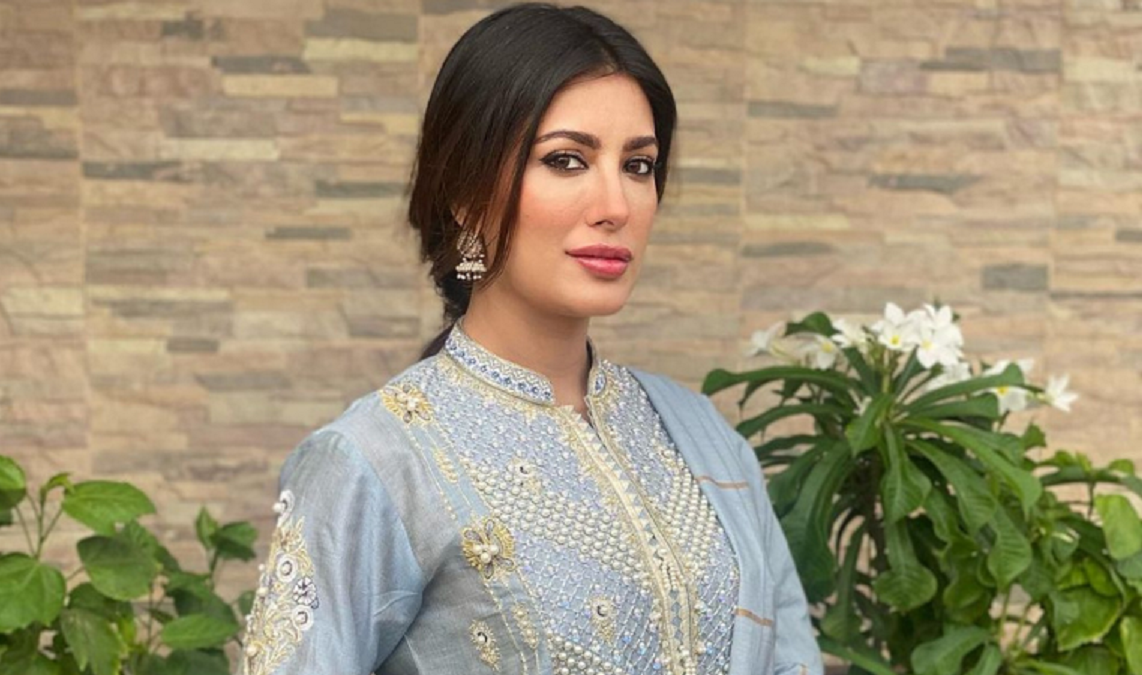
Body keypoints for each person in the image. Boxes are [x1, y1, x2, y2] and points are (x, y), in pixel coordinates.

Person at [238, 4, 823, 675]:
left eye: (638, 165)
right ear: (466, 191)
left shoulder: (701, 435)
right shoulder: (376, 460)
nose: (616, 206)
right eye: (566, 160)